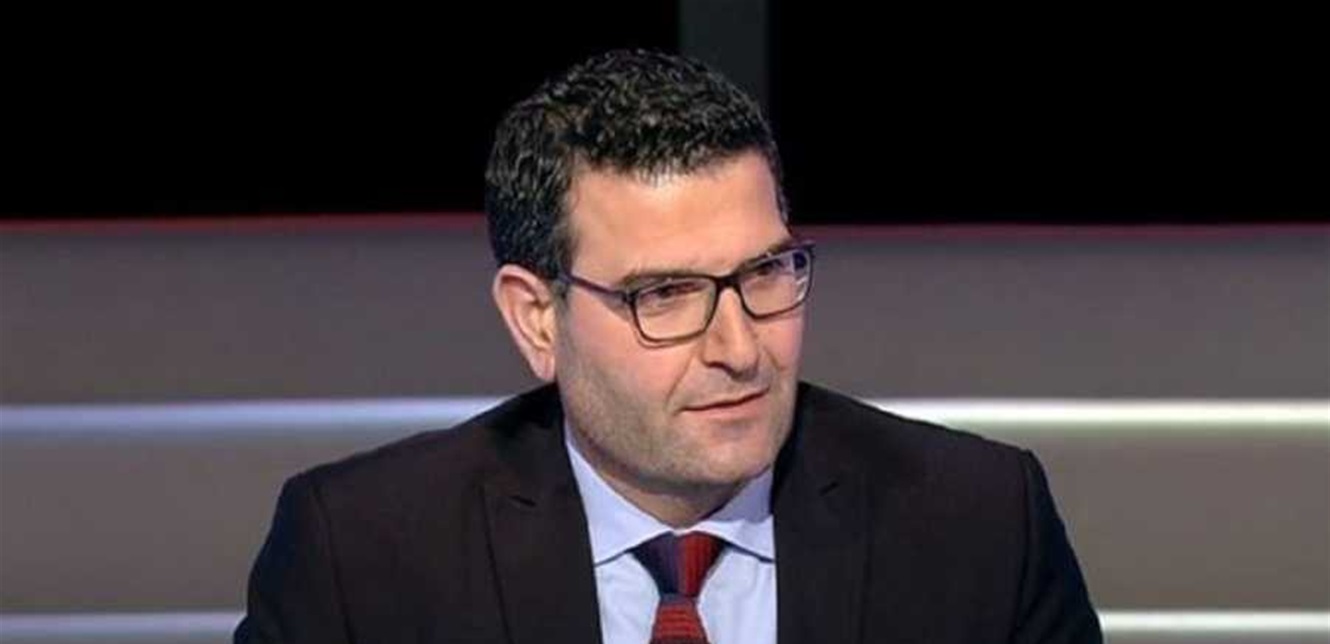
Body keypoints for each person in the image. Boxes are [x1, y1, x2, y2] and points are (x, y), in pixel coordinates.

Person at [235, 49, 1102, 644]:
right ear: (537, 319)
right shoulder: (361, 558)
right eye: (665, 295)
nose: (740, 348)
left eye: (766, 272)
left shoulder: (982, 527)